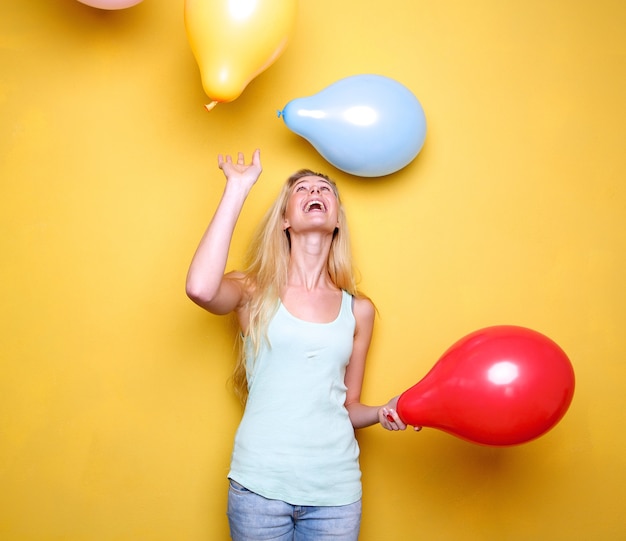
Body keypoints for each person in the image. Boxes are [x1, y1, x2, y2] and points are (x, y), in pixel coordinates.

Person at [186, 149, 413, 541]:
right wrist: (237, 189)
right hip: (260, 490)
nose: (315, 191)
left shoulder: (358, 310)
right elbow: (201, 289)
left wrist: (381, 412)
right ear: (286, 219)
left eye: (325, 189)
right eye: (303, 188)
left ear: (337, 219)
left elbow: (348, 406)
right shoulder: (253, 291)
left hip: (335, 496)